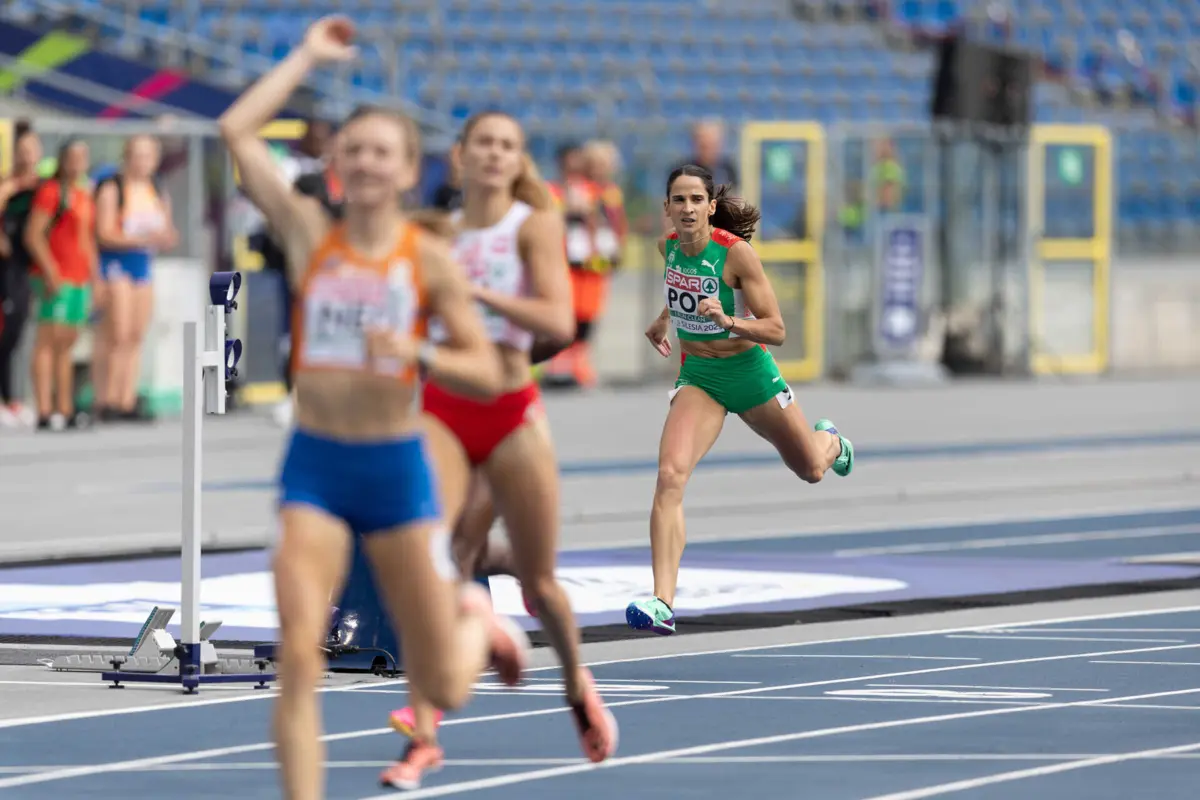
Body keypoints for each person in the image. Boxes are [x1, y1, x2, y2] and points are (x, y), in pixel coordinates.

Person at [217, 17, 528, 800]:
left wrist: (417, 353)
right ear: (334, 163)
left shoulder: (427, 258)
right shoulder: (307, 232)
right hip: (316, 466)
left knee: (445, 687)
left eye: (380, 151)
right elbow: (235, 128)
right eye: (351, 149)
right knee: (298, 656)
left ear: (407, 170)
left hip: (395, 473)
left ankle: (477, 623)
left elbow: (487, 367)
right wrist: (309, 56)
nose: (362, 162)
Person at [379, 111, 618, 792]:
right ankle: (424, 737)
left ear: (519, 162)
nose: (493, 154)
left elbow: (559, 322)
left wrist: (476, 292)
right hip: (446, 408)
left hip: (511, 412)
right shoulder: (433, 234)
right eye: (482, 143)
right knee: (431, 559)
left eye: (507, 146)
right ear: (458, 157)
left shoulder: (532, 226)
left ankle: (577, 689)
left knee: (540, 580)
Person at [625, 165, 855, 636]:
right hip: (700, 377)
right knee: (670, 475)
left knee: (810, 468)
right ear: (666, 208)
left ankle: (831, 440)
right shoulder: (665, 247)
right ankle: (663, 602)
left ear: (711, 207)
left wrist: (731, 323)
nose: (687, 208)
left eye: (696, 200)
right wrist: (663, 318)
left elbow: (777, 328)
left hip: (750, 374)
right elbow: (685, 288)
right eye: (678, 200)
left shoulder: (737, 256)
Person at [92, 134, 179, 422]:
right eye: (138, 156)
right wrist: (139, 238)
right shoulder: (113, 188)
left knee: (136, 334)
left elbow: (168, 231)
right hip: (117, 263)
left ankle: (127, 398)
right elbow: (104, 233)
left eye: (148, 156)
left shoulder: (156, 188)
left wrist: (162, 238)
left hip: (143, 265)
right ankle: (107, 399)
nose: (143, 162)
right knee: (117, 332)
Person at [23, 138, 99, 432]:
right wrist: (50, 269)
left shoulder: (83, 193)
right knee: (47, 341)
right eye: (73, 157)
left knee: (67, 343)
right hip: (57, 275)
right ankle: (43, 408)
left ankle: (64, 408)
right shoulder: (52, 192)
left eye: (83, 157)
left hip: (78, 276)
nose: (78, 162)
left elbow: (87, 239)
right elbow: (33, 235)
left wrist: (94, 277)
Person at [0, 123, 43, 429]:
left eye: (32, 150)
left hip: (32, 268)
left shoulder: (44, 187)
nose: (27, 156)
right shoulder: (8, 185)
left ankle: (19, 399)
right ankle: (7, 399)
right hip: (8, 268)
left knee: (21, 334)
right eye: (22, 150)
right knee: (7, 333)